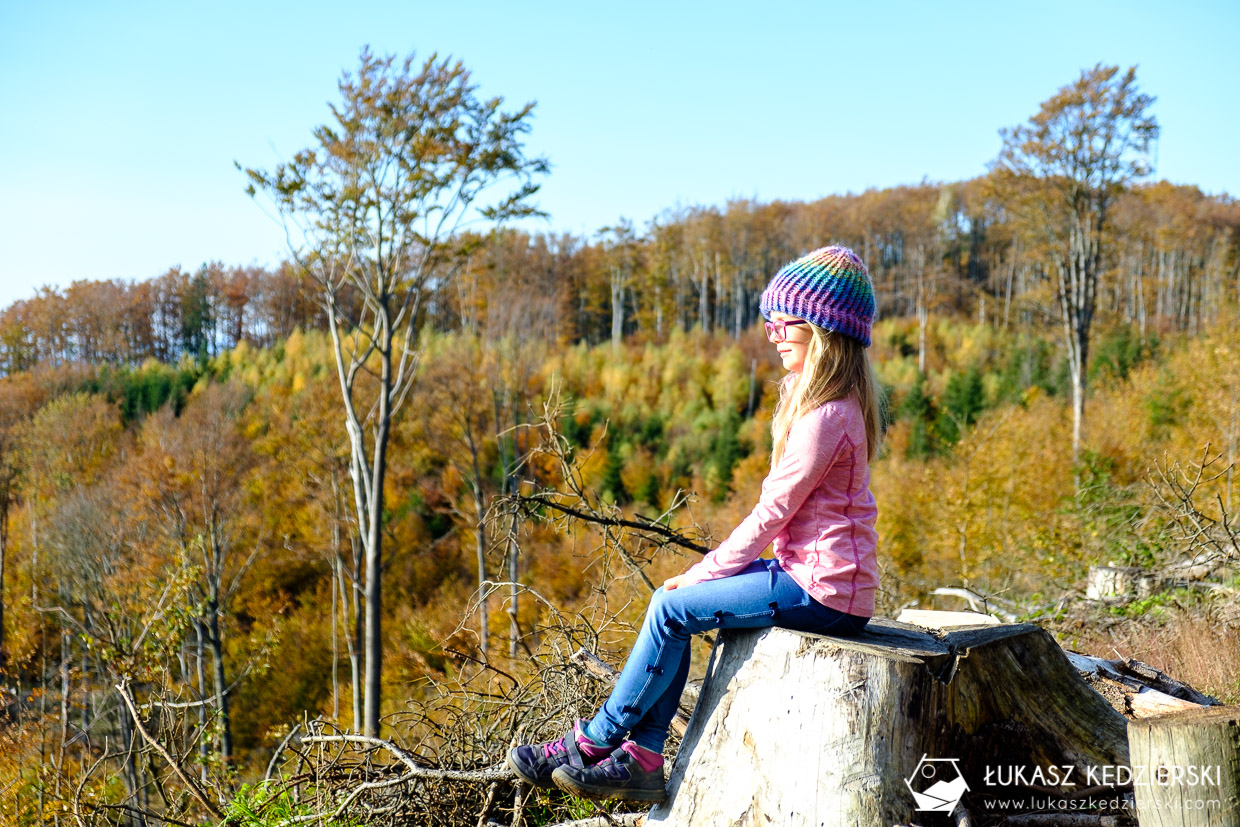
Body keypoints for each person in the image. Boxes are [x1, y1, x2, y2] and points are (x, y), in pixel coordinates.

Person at [507, 245, 882, 803]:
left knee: (672, 605)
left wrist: (706, 571)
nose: (773, 331)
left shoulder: (827, 416)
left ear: (823, 329)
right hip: (815, 578)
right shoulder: (832, 405)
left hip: (824, 591)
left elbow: (771, 513)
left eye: (784, 320)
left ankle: (591, 744)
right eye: (769, 319)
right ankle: (642, 756)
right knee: (673, 606)